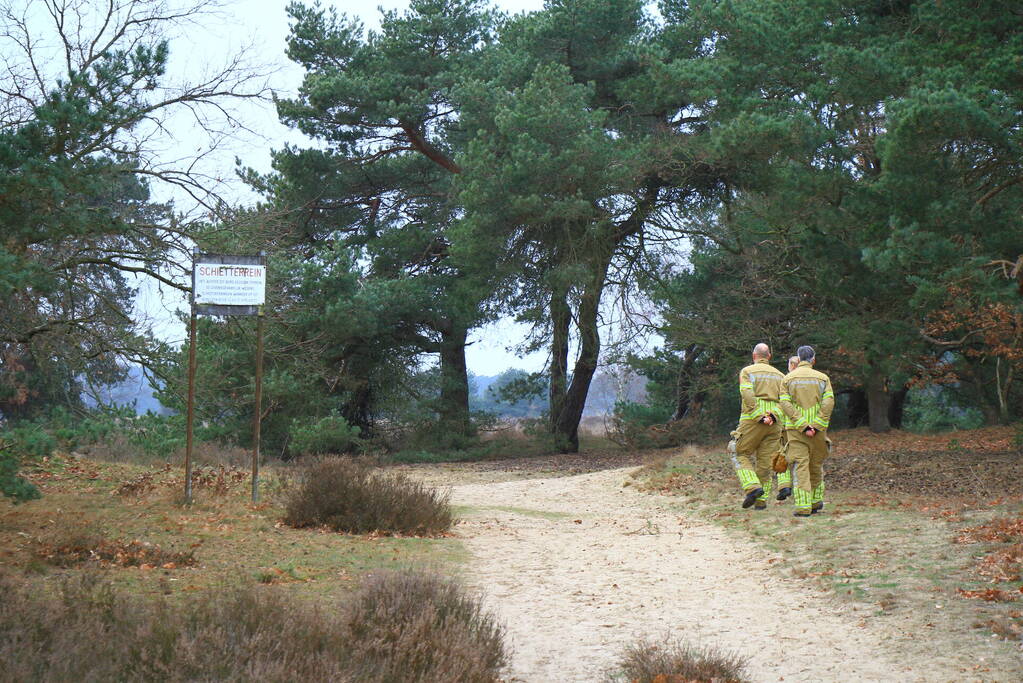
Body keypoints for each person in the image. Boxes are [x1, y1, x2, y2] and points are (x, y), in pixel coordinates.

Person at [727, 343, 785, 510]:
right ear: (769, 356)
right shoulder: (781, 376)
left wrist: (760, 416)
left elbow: (746, 393)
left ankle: (752, 487)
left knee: (737, 452)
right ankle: (761, 502)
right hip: (775, 424)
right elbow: (786, 401)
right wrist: (773, 415)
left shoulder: (747, 372)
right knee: (765, 462)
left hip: (752, 421)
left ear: (754, 356)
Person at [779, 345, 835, 517]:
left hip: (796, 431)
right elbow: (829, 402)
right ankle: (816, 502)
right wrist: (816, 425)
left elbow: (785, 404)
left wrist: (802, 425)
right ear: (813, 360)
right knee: (816, 464)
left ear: (798, 359)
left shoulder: (788, 379)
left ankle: (803, 507)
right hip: (818, 432)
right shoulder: (823, 378)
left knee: (800, 466)